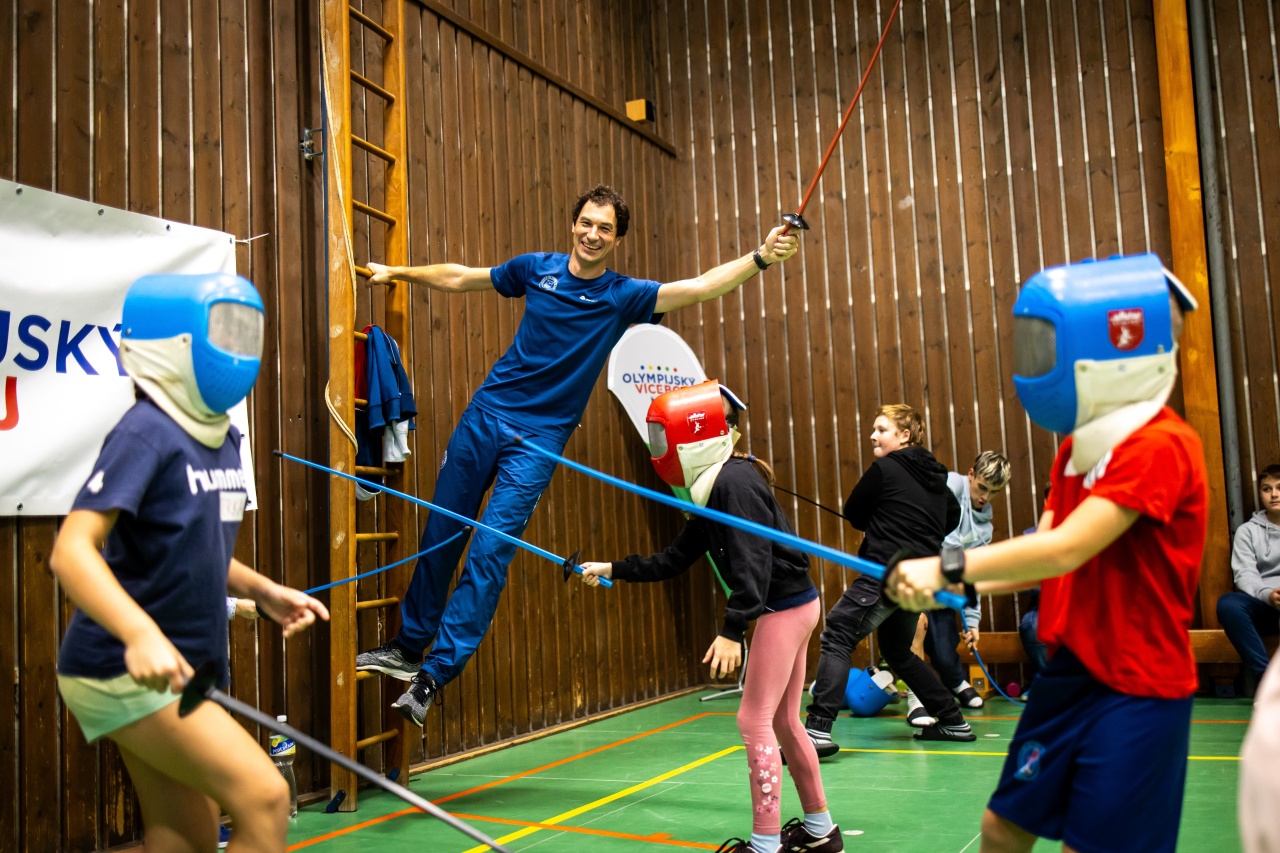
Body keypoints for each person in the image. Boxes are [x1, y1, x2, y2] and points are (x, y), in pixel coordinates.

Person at [356, 184, 799, 726]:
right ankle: (408, 648)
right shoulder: (535, 269)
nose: (593, 234)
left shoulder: (623, 296)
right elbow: (464, 277)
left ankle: (433, 675)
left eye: (605, 228)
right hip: (484, 416)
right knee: (441, 533)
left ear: (617, 240)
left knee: (489, 553)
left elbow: (701, 287)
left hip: (538, 440)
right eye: (586, 223)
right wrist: (398, 273)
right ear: (573, 224)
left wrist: (761, 258)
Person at [886, 254, 1205, 853]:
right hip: (1069, 672)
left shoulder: (1162, 445)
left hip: (1137, 687)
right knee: (1002, 828)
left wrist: (946, 568)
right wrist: (951, 585)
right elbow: (1039, 551)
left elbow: (1068, 548)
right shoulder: (1078, 450)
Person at [51, 273, 330, 853]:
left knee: (187, 833)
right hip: (121, 665)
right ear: (172, 344)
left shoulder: (223, 438)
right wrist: (139, 635)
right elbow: (71, 551)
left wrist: (264, 591)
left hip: (182, 665)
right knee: (265, 798)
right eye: (222, 332)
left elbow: (200, 544)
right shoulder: (146, 432)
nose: (235, 351)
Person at [578, 381, 842, 853]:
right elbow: (675, 558)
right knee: (783, 721)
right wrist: (613, 569)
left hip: (782, 609)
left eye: (665, 436)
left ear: (691, 435)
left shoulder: (733, 484)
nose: (661, 446)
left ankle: (765, 844)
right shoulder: (715, 487)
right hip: (797, 604)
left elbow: (753, 561)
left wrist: (732, 630)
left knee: (754, 720)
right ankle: (821, 830)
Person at [803, 403, 972, 755]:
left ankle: (817, 731)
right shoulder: (937, 478)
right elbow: (951, 517)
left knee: (838, 633)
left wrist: (885, 523)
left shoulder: (885, 468)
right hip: (918, 579)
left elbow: (853, 511)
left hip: (884, 572)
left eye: (882, 430)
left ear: (904, 435)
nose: (873, 436)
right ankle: (953, 721)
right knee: (897, 651)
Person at [907, 452, 1011, 726]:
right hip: (917, 570)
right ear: (971, 474)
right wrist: (958, 570)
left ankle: (954, 681)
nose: (985, 497)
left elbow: (973, 574)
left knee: (944, 649)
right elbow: (949, 540)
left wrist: (973, 622)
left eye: (994, 492)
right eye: (982, 487)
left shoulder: (985, 529)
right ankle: (916, 700)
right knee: (915, 633)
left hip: (944, 583)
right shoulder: (950, 485)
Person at [1217, 463, 1280, 694]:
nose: (1274, 495)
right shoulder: (1248, 531)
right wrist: (1268, 595)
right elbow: (1244, 574)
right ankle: (1266, 683)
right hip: (1265, 603)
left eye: (1279, 488)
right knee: (1228, 604)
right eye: (1267, 489)